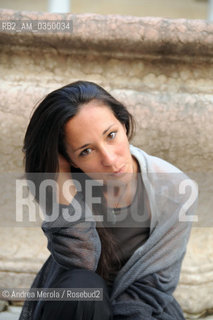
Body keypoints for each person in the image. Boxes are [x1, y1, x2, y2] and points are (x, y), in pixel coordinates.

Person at [19, 80, 198, 320]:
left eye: (111, 135)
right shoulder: (70, 187)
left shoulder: (176, 189)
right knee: (82, 288)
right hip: (76, 309)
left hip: (142, 310)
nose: (110, 159)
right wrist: (61, 183)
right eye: (86, 151)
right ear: (69, 160)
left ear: (124, 125)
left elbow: (154, 286)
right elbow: (78, 264)